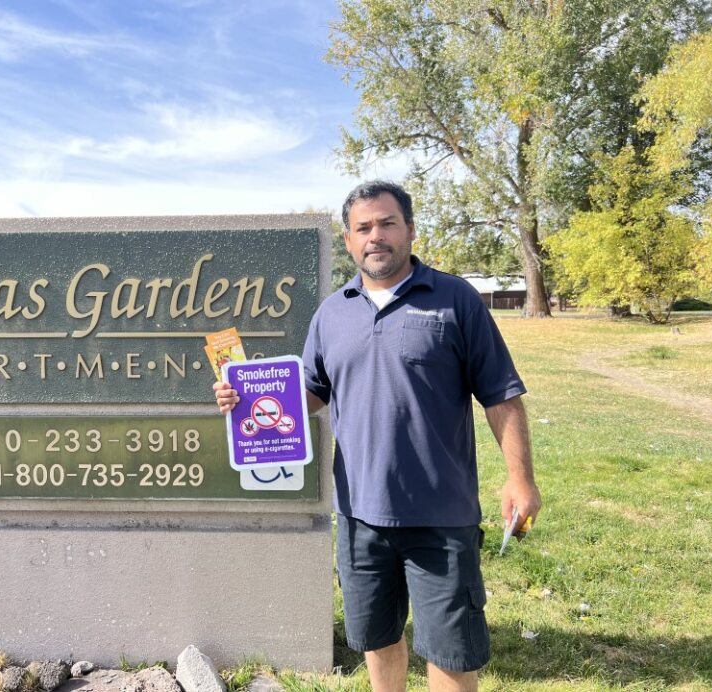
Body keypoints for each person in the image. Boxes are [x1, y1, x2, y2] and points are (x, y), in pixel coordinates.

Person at [214, 180, 541, 692]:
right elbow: (313, 393)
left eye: (387, 223)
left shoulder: (455, 300)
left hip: (441, 515)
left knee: (450, 650)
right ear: (348, 240)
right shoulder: (332, 312)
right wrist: (247, 400)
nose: (376, 236)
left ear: (409, 229)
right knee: (377, 638)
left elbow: (501, 393)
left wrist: (520, 479)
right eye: (363, 227)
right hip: (360, 515)